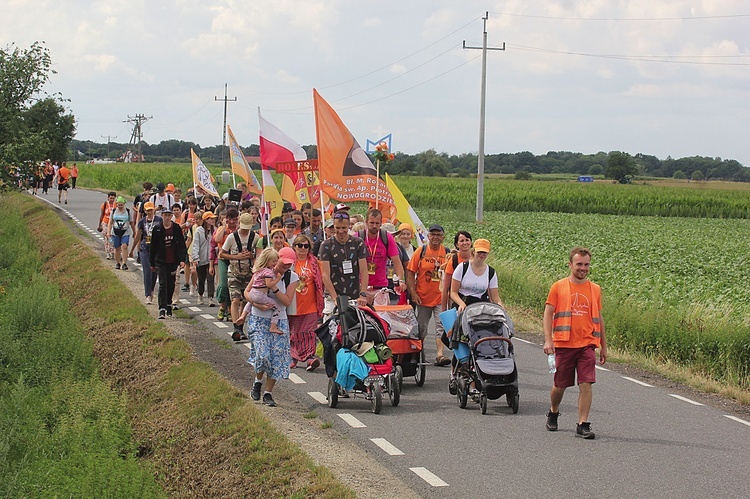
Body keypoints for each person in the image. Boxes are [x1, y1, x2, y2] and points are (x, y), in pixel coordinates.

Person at [543, 247, 607, 440]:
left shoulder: (595, 289)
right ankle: (554, 411)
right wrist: (548, 339)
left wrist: (604, 345)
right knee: (560, 385)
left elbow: (599, 317)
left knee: (586, 383)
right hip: (564, 344)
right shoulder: (558, 286)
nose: (583, 268)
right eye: (579, 264)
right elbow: (548, 313)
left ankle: (583, 423)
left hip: (587, 344)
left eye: (586, 264)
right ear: (570, 264)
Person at [246, 247, 299, 407]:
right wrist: (255, 303)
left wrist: (274, 287)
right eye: (284, 263)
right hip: (259, 318)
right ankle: (257, 381)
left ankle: (268, 393)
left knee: (276, 358)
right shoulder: (263, 272)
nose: (286, 267)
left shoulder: (292, 277)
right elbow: (247, 291)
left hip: (279, 320)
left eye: (290, 265)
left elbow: (287, 301)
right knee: (262, 355)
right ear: (276, 260)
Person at [407, 224, 451, 366]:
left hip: (441, 298)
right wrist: (413, 292)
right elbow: (410, 271)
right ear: (428, 236)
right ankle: (418, 354)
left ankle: (440, 355)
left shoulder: (448, 253)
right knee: (421, 328)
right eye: (433, 234)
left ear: (443, 237)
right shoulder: (421, 251)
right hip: (423, 297)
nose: (435, 237)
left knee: (441, 326)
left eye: (438, 235)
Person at [219, 212, 259, 341]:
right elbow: (222, 254)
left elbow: (259, 256)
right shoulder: (232, 237)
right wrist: (236, 257)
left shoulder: (255, 237)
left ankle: (241, 326)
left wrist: (251, 256)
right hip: (234, 272)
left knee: (245, 301)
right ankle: (236, 327)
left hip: (248, 273)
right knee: (235, 299)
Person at [288, 234, 324, 371]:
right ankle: (293, 357)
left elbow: (321, 281)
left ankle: (310, 357)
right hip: (293, 303)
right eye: (299, 245)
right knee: (294, 332)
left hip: (310, 303)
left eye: (306, 246)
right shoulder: (290, 262)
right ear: (294, 247)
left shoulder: (315, 262)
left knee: (309, 331)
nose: (303, 248)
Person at [319, 211, 369, 308]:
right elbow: (325, 275)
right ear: (334, 226)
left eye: (343, 228)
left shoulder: (358, 243)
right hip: (333, 296)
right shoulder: (326, 245)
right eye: (337, 228)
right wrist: (335, 298)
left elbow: (364, 271)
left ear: (349, 226)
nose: (341, 231)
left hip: (354, 295)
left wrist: (363, 293)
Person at [358, 209, 406, 303]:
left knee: (381, 317)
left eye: (377, 223)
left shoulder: (386, 237)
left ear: (381, 223)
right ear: (366, 222)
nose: (374, 226)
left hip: (380, 288)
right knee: (361, 317)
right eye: (371, 223)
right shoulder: (359, 237)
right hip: (361, 288)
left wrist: (400, 279)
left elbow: (397, 261)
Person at [149, 208, 187, 319]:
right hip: (161, 261)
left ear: (171, 217)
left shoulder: (176, 228)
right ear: (162, 216)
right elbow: (153, 247)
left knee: (171, 284)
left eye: (169, 215)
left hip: (172, 261)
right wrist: (152, 263)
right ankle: (162, 308)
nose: (167, 217)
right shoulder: (157, 229)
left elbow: (181, 245)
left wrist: (181, 259)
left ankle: (169, 304)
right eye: (165, 215)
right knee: (162, 284)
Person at [449, 238, 503, 312]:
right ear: (473, 251)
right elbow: (453, 293)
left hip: (480, 309)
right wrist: (461, 304)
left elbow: (495, 298)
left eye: (484, 252)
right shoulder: (462, 267)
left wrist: (500, 306)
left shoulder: (491, 272)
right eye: (479, 251)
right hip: (462, 307)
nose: (482, 254)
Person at [129, 201, 162, 304]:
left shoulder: (159, 220)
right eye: (148, 210)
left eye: (151, 210)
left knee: (154, 271)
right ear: (145, 211)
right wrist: (132, 249)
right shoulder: (142, 222)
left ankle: (151, 289)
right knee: (147, 271)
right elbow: (138, 236)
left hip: (156, 250)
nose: (150, 212)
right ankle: (147, 294)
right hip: (145, 248)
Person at [247, 249, 284, 334]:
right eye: (274, 261)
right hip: (261, 295)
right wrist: (278, 279)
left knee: (249, 302)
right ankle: (273, 326)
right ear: (267, 261)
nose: (275, 263)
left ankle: (243, 315)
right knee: (277, 308)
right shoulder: (268, 272)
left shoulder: (258, 270)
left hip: (253, 292)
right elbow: (269, 284)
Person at [213, 207, 239, 321]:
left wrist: (238, 228)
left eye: (234, 219)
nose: (232, 222)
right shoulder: (222, 229)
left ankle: (229, 309)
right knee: (223, 284)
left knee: (232, 285)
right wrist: (224, 227)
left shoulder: (239, 229)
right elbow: (217, 240)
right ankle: (222, 306)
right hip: (223, 259)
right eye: (230, 219)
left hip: (235, 259)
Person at [441, 231, 473, 312]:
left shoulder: (477, 259)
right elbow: (445, 289)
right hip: (456, 300)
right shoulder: (453, 261)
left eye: (467, 240)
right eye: (461, 241)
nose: (465, 243)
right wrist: (444, 311)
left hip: (474, 299)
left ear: (471, 242)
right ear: (457, 244)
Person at [191, 211, 216, 305]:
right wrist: (195, 257)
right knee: (201, 279)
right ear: (206, 220)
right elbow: (195, 245)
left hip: (211, 259)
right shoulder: (199, 231)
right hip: (201, 258)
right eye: (211, 219)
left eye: (214, 218)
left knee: (211, 278)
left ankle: (210, 297)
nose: (213, 220)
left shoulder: (216, 230)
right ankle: (200, 295)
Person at [107, 196, 135, 271]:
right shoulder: (113, 211)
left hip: (125, 231)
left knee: (124, 246)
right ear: (116, 204)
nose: (120, 206)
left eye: (121, 205)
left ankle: (124, 263)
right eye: (118, 205)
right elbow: (110, 222)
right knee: (117, 248)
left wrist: (134, 232)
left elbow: (131, 223)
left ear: (124, 204)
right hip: (115, 232)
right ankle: (118, 262)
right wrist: (108, 232)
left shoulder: (128, 212)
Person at [98, 191, 117, 260]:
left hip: (113, 223)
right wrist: (99, 225)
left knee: (112, 238)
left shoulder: (116, 205)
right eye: (110, 198)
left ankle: (112, 252)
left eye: (113, 198)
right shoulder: (104, 204)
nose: (112, 200)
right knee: (106, 237)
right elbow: (102, 215)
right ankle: (108, 253)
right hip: (105, 222)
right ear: (108, 198)